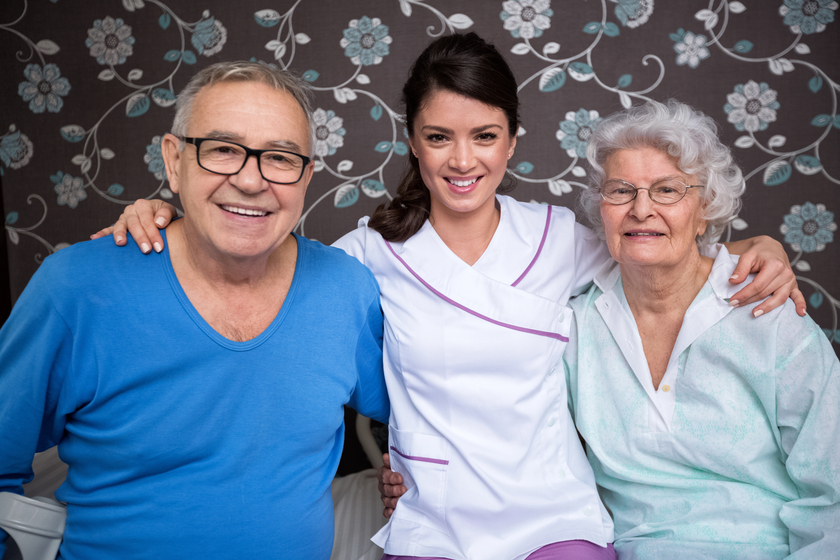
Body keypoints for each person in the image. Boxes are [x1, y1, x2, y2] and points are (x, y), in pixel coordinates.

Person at [97, 36, 803, 560]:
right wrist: (165, 216)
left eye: (484, 137)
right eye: (440, 138)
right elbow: (253, 261)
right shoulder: (369, 254)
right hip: (434, 514)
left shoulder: (557, 236)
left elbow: (658, 251)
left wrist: (755, 249)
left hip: (552, 509)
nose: (462, 161)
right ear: (413, 142)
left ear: (511, 142)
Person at [382, 99, 840, 558]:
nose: (641, 209)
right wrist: (420, 474)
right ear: (602, 211)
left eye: (667, 191)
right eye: (621, 191)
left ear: (705, 210)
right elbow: (504, 428)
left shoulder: (769, 315)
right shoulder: (574, 326)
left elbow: (832, 490)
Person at [0, 61, 389, 560]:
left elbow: (435, 409)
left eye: (280, 158)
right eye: (223, 150)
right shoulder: (76, 289)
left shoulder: (345, 290)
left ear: (307, 176)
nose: (251, 181)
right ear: (174, 160)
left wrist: (417, 480)